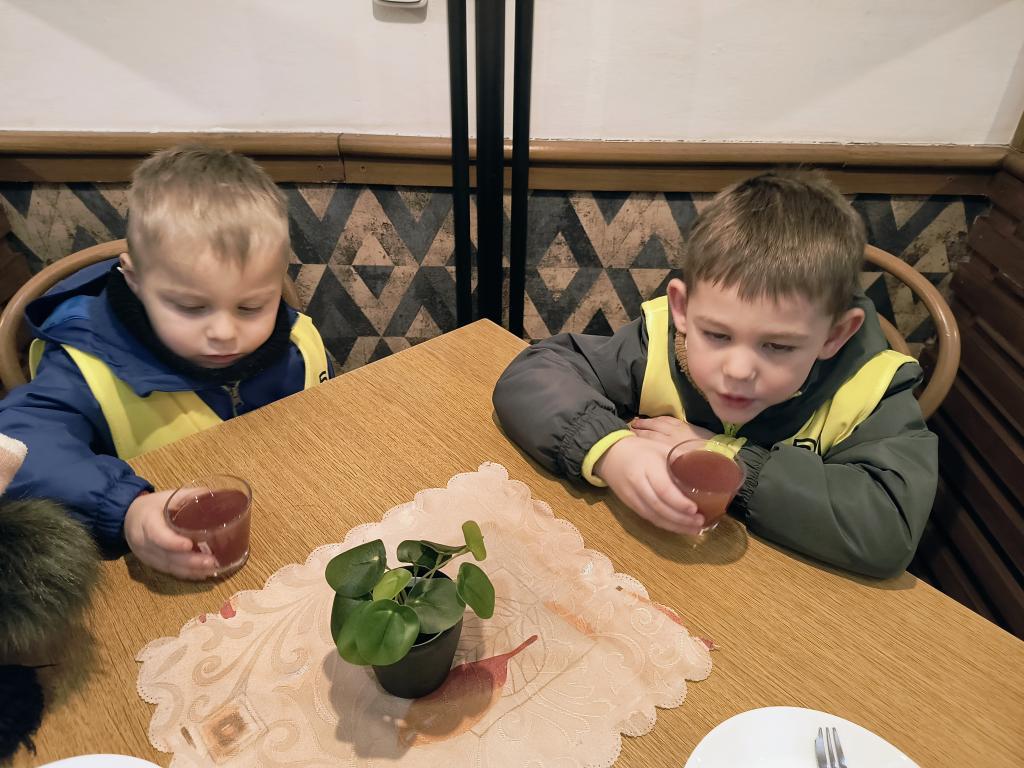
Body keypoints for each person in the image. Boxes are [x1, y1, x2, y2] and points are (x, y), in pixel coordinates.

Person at [493, 170, 937, 578]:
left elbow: (887, 528)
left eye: (778, 346)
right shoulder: (658, 343)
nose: (738, 370)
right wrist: (612, 451)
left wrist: (724, 455)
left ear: (835, 335)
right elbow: (534, 374)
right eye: (718, 335)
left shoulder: (873, 390)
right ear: (684, 309)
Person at [0, 146, 330, 579]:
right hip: (164, 557)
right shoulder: (84, 368)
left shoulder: (296, 342)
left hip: (295, 529)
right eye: (191, 308)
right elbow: (17, 448)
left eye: (251, 307)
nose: (224, 332)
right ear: (135, 281)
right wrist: (126, 508)